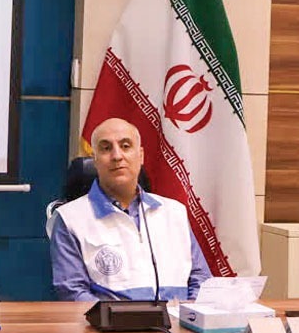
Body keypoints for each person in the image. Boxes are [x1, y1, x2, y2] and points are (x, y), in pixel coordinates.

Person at [49, 117, 211, 302]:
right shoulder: (70, 219)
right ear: (95, 160)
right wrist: (119, 318)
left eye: (125, 146)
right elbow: (72, 291)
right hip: (107, 320)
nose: (117, 156)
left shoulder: (174, 212)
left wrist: (188, 314)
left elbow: (201, 279)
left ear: (140, 156)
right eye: (106, 148)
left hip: (177, 319)